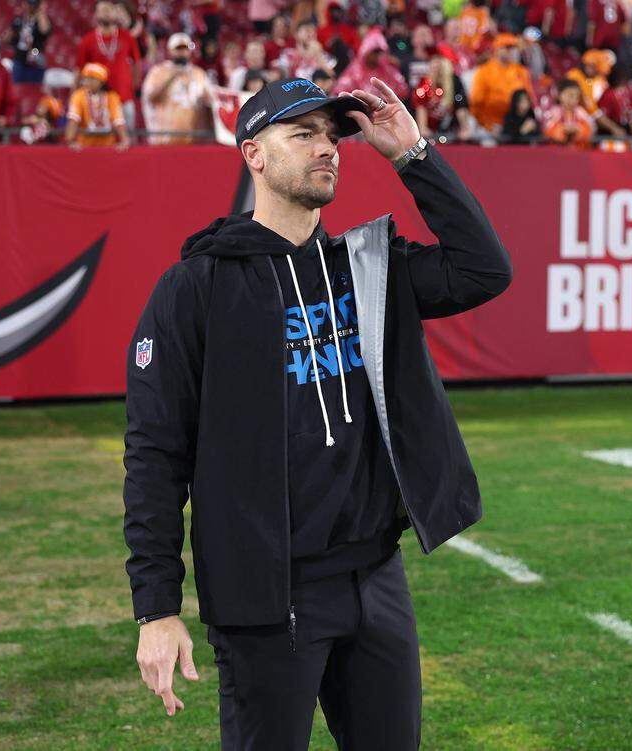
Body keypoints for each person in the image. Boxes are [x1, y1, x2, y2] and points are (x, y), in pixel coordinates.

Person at [124, 74, 511, 749]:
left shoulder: (367, 267)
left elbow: (485, 269)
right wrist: (156, 607)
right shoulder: (197, 286)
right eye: (303, 134)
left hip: (376, 578)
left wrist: (412, 153)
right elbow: (155, 454)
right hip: (268, 598)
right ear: (254, 153)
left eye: (332, 137)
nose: (326, 148)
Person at [77, 0, 141, 131]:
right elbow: (80, 70)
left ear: (115, 13)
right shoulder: (87, 40)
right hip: (98, 101)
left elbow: (137, 64)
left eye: (109, 9)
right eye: (102, 9)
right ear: (95, 14)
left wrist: (132, 86)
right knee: (101, 142)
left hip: (125, 97)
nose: (106, 12)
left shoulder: (127, 37)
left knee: (129, 139)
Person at [140, 32, 210, 145]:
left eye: (186, 49)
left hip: (193, 140)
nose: (182, 52)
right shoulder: (158, 71)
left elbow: (210, 101)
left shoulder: (199, 73)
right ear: (170, 50)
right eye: (178, 49)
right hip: (163, 139)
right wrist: (172, 77)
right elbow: (150, 98)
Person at [469, 33, 534, 133]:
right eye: (506, 47)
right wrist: (488, 125)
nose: (510, 51)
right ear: (496, 49)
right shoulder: (484, 71)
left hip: (516, 127)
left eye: (513, 48)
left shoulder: (522, 72)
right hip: (489, 126)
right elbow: (476, 104)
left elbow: (528, 100)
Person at [331, 28, 409, 103]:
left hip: (385, 110)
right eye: (374, 52)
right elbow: (339, 92)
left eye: (379, 52)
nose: (377, 55)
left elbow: (402, 91)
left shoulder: (387, 69)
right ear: (366, 51)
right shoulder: (355, 70)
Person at [65, 61, 128, 150]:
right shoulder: (78, 95)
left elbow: (119, 121)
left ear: (102, 82)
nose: (87, 82)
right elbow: (73, 119)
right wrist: (70, 141)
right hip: (84, 147)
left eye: (92, 79)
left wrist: (124, 141)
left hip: (108, 146)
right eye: (85, 78)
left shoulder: (112, 97)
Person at [7, 0, 51, 84]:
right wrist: (13, 32)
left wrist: (41, 12)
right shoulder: (19, 20)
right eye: (29, 4)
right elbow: (8, 39)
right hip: (19, 60)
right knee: (16, 88)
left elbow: (45, 30)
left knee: (35, 91)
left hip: (36, 59)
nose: (31, 7)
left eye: (34, 5)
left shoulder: (42, 20)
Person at [543, 78, 593, 147]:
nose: (574, 100)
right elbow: (547, 131)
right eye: (570, 95)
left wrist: (578, 129)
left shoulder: (581, 112)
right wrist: (563, 130)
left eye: (577, 97)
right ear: (559, 95)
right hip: (557, 152)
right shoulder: (553, 112)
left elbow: (589, 131)